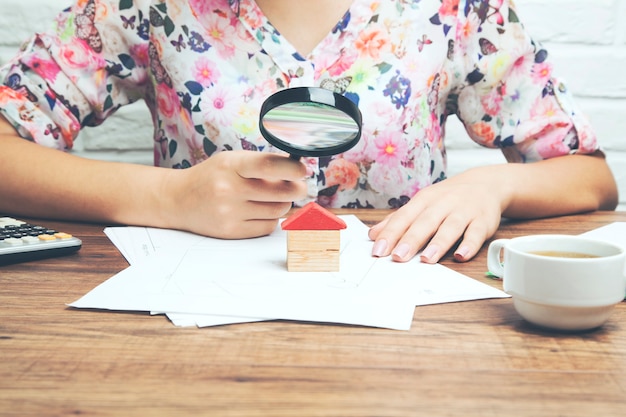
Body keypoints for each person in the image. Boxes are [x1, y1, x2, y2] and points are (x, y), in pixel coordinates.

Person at [0, 0, 618, 265]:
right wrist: (169, 197)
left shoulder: (456, 10)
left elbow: (591, 178)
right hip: (202, 332)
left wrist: (494, 189)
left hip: (409, 332)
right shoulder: (146, 7)